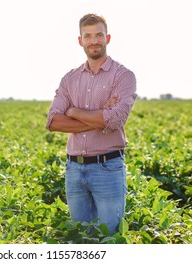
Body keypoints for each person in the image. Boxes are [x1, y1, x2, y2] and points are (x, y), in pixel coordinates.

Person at [45, 13, 137, 235]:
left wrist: (74, 111)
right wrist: (100, 116)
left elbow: (115, 120)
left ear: (108, 38)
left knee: (109, 237)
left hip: (108, 167)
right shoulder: (70, 79)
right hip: (74, 170)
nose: (94, 40)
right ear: (80, 41)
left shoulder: (123, 76)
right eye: (88, 36)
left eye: (99, 35)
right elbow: (53, 121)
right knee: (80, 237)